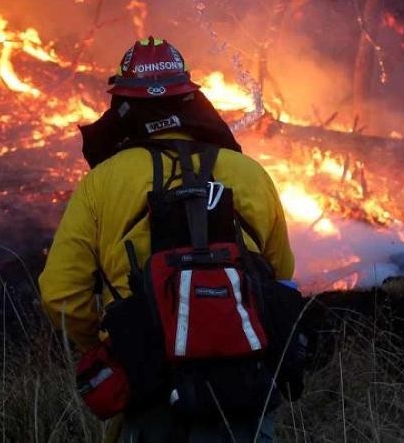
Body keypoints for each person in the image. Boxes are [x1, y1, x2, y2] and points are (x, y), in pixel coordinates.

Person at [39, 36, 296, 442]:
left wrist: (110, 342)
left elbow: (60, 296)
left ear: (123, 106)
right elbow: (281, 274)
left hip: (149, 382)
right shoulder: (249, 174)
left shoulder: (102, 182)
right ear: (191, 101)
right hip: (247, 383)